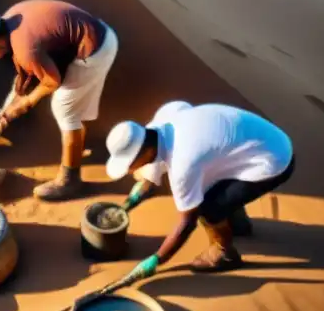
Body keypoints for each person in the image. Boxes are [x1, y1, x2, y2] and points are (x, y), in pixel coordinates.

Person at [106, 102, 295, 282]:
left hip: (273, 161)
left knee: (208, 209)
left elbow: (187, 222)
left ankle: (223, 253)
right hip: (262, 140)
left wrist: (156, 260)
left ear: (145, 152)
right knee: (210, 181)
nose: (129, 170)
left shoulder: (183, 164)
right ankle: (237, 223)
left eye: (129, 164)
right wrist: (135, 197)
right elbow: (155, 162)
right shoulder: (164, 119)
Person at [0, 0, 119, 201]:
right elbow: (25, 76)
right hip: (95, 36)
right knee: (72, 109)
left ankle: (70, 180)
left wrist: (26, 103)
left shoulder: (26, 48)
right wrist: (7, 111)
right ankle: (76, 143)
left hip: (95, 51)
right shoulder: (9, 21)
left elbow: (51, 81)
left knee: (64, 110)